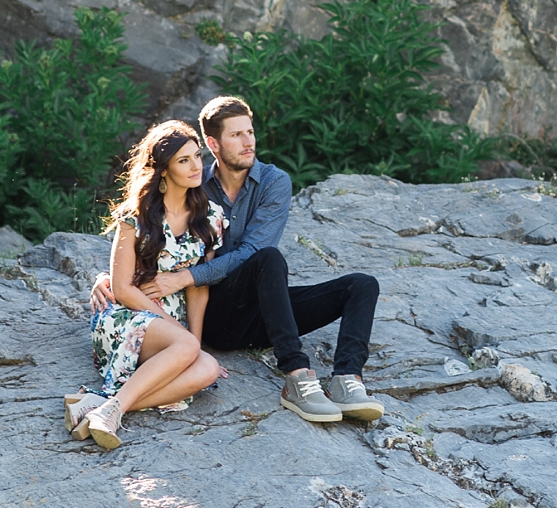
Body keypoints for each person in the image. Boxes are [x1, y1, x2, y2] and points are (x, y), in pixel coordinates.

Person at [98, 97, 386, 426]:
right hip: (217, 312)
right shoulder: (194, 185)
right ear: (213, 143)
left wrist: (186, 277)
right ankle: (297, 375)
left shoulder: (274, 182)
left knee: (361, 285)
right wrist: (106, 278)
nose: (248, 142)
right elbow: (150, 236)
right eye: (236, 135)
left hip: (263, 308)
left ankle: (348, 380)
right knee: (269, 259)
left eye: (249, 132)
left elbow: (251, 252)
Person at [69, 121, 227, 450]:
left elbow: (199, 284)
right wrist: (182, 338)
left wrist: (194, 343)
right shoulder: (135, 216)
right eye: (184, 160)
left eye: (197, 156)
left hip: (170, 331)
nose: (197, 165)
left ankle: (101, 407)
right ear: (163, 170)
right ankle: (110, 411)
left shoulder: (210, 217)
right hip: (127, 316)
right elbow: (124, 288)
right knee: (187, 350)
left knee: (208, 368)